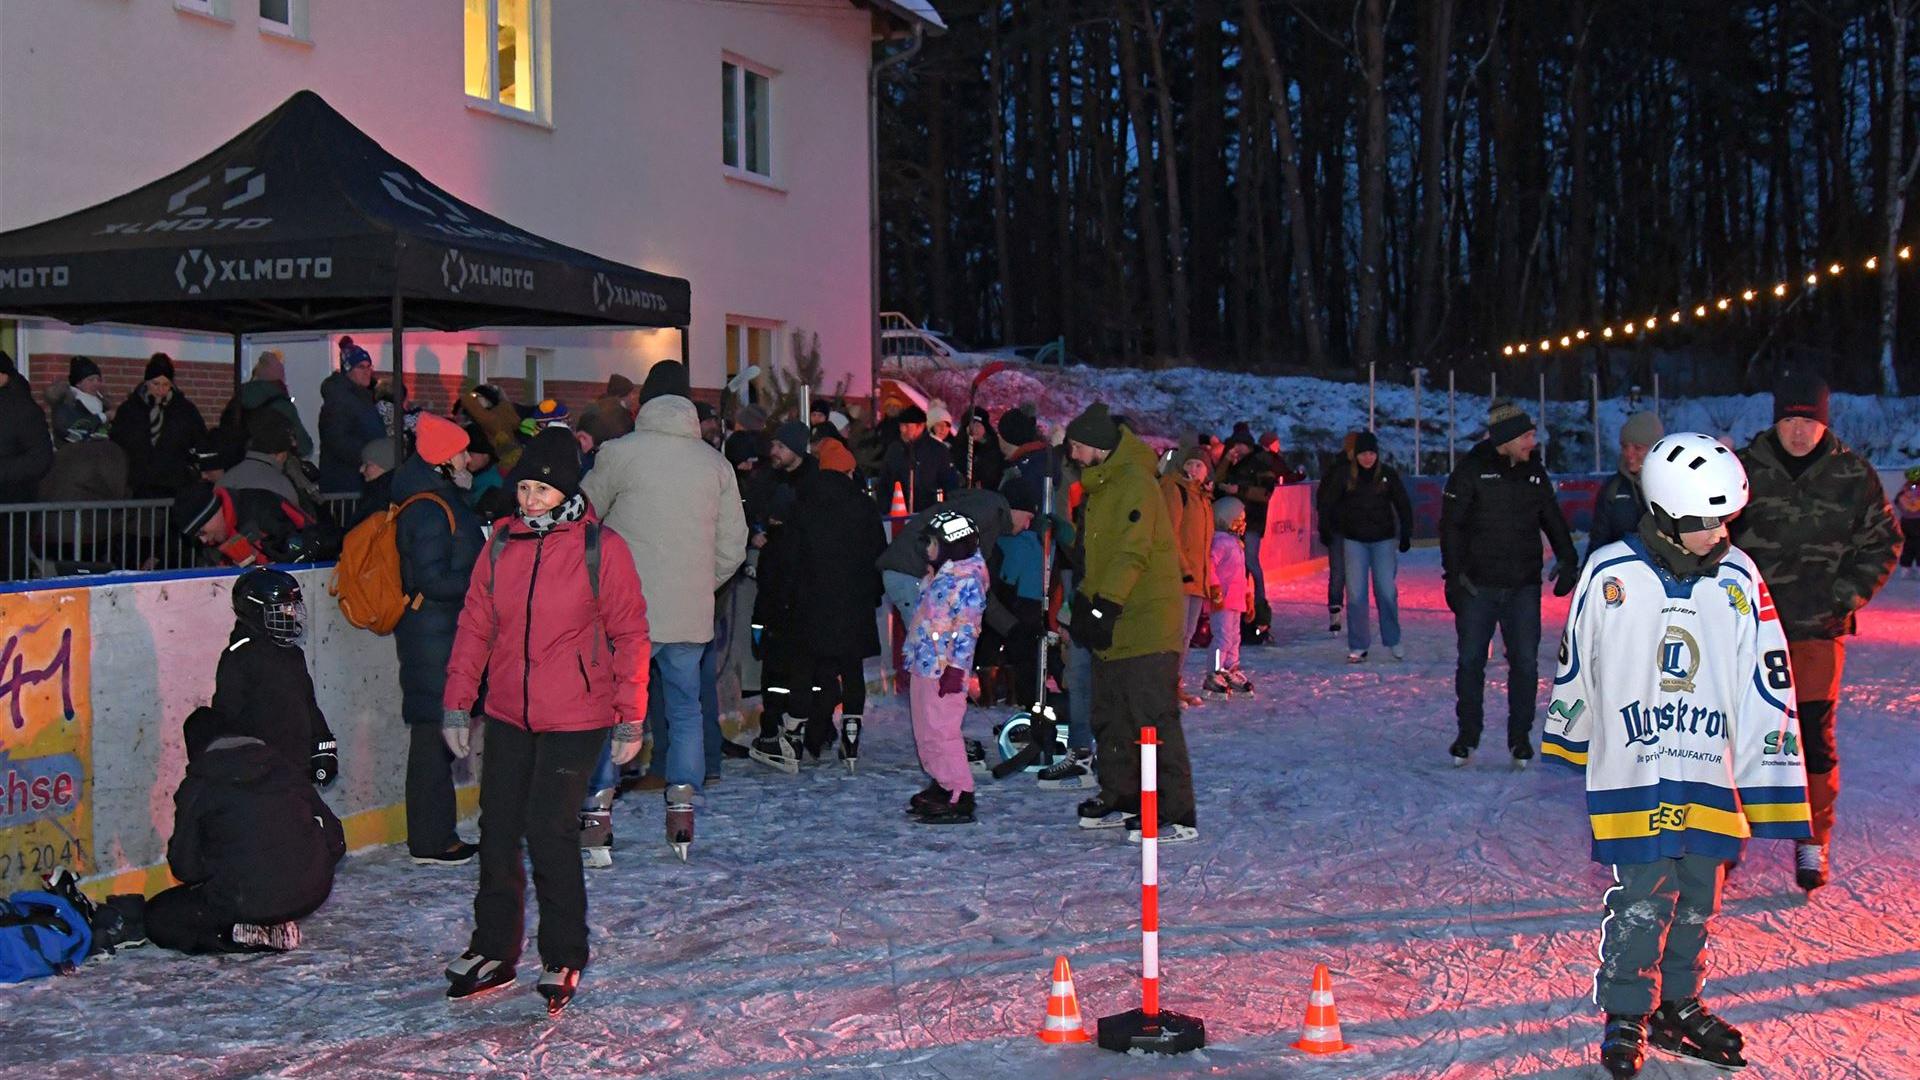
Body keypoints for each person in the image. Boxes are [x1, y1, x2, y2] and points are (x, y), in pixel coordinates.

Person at [1545, 433, 1810, 1078]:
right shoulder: (1610, 574)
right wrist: (1572, 732)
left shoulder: (1739, 577)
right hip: (1636, 765)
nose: (1719, 533)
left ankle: (1677, 1002)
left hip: (1710, 769)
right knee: (1643, 891)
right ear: (1663, 512)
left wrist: (1769, 769)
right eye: (1705, 522)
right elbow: (1577, 663)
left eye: (1726, 520)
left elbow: (1768, 679)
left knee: (1699, 892)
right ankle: (1627, 1008)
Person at [441, 428, 651, 1011]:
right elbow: (475, 626)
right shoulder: (501, 543)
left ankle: (563, 953)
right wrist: (458, 701)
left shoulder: (601, 548)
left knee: (549, 828)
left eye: (542, 490)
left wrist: (630, 716)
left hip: (577, 715)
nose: (530, 500)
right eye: (524, 489)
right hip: (510, 710)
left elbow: (631, 634)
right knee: (497, 828)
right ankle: (493, 948)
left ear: (567, 491)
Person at [1728, 373, 1901, 891]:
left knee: (1813, 742)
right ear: (1775, 420)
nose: (1799, 431)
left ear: (1825, 422)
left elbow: (1885, 541)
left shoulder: (1852, 474)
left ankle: (1813, 840)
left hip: (1816, 632)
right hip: (1749, 632)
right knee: (1737, 738)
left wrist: (1843, 597)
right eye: (1789, 420)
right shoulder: (1742, 470)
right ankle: (1728, 833)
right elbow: (1710, 536)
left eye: (1809, 421)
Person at [578, 360, 747, 857]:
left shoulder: (619, 453)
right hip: (688, 614)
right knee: (686, 708)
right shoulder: (714, 464)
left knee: (614, 708)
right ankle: (681, 808)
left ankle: (598, 809)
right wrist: (700, 585)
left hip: (625, 613)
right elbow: (732, 547)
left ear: (645, 403)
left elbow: (583, 519)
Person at [1064, 403, 1198, 844]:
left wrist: (1104, 605)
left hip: (1146, 621)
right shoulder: (1102, 486)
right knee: (1111, 715)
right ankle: (1121, 796)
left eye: (1077, 447)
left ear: (1097, 445)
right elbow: (1096, 556)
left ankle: (1175, 812)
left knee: (1152, 718)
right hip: (1117, 620)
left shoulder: (1135, 484)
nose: (1073, 455)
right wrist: (1084, 605)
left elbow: (1131, 552)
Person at [1441, 401, 1578, 768]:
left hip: (1522, 586)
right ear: (1507, 439)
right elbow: (1451, 526)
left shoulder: (1534, 472)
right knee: (1471, 661)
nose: (1533, 442)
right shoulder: (1471, 470)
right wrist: (1453, 576)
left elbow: (1552, 518)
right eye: (1527, 436)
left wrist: (1568, 559)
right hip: (1478, 587)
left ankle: (1520, 740)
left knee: (1525, 664)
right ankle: (1467, 736)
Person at [148, 704, 345, 955]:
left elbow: (185, 869)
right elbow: (336, 840)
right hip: (312, 892)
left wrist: (222, 866)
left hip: (246, 900)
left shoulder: (198, 786)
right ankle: (270, 923)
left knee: (158, 917)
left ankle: (235, 935)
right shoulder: (285, 768)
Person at [390, 414, 484, 867]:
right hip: (433, 637)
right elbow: (431, 580)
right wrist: (484, 582)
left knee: (438, 736)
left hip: (441, 633)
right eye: (461, 452)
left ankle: (434, 835)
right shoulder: (428, 508)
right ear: (443, 460)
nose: (468, 459)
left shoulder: (438, 500)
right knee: (433, 736)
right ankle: (431, 839)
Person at [777, 437, 886, 768]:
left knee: (804, 668)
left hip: (811, 603)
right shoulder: (864, 506)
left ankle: (793, 737)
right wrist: (872, 594)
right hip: (854, 603)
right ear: (848, 471)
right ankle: (851, 736)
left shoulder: (803, 504)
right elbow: (878, 555)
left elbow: (790, 559)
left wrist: (787, 598)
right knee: (852, 669)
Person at [209, 568, 339, 787]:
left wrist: (322, 744)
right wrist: (242, 765)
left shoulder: (292, 654)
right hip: (261, 773)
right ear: (256, 611)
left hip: (296, 768)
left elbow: (307, 703)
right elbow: (226, 717)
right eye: (284, 608)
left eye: (293, 607)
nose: (292, 614)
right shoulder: (239, 657)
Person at [903, 509, 990, 825]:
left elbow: (968, 628)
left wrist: (956, 667)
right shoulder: (941, 574)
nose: (927, 549)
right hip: (926, 664)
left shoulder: (966, 580)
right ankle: (941, 781)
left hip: (945, 669)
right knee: (925, 729)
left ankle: (959, 791)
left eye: (932, 543)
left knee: (943, 730)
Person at [1318, 431, 1413, 663]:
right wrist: (1326, 528)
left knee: (1386, 591)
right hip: (1354, 541)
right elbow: (1327, 502)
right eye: (1363, 453)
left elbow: (1402, 503)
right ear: (1356, 455)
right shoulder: (1345, 476)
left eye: (1371, 453)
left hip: (1383, 540)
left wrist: (1406, 533)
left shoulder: (1387, 475)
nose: (1367, 458)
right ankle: (1359, 645)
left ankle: (1393, 639)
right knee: (1356, 594)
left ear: (1377, 454)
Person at [1159, 448, 1215, 704]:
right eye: (1190, 464)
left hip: (1197, 579)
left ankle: (1173, 683)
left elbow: (1204, 544)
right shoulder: (1176, 490)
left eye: (1199, 465)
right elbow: (1170, 533)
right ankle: (1164, 686)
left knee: (1186, 635)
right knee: (1174, 634)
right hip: (1180, 577)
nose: (1193, 469)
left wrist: (1208, 578)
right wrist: (1183, 569)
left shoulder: (1203, 499)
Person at [110, 353, 206, 499]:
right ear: (147, 383)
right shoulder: (129, 410)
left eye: (166, 385)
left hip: (175, 486)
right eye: (156, 384)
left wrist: (192, 468)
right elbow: (118, 443)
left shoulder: (185, 410)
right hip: (138, 486)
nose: (161, 390)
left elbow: (200, 441)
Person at [1215, 431, 1277, 643]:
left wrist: (1239, 490)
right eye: (1234, 445)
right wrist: (1225, 461)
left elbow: (1266, 492)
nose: (1236, 449)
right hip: (1230, 523)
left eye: (1240, 445)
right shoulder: (1231, 462)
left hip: (1252, 521)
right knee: (1236, 568)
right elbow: (1216, 482)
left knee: (1250, 562)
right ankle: (1239, 612)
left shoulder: (1260, 462)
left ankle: (1259, 611)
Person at [1585, 411, 1664, 562]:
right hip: (1622, 572)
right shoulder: (1613, 489)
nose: (1629, 453)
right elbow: (1598, 542)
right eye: (1625, 446)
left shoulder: (1674, 486)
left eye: (1637, 448)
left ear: (1654, 449)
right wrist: (1588, 573)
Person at [219, 350, 314, 461]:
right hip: (269, 465)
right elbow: (304, 447)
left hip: (238, 464)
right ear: (279, 379)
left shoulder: (238, 399)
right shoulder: (282, 405)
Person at [318, 340, 384, 495]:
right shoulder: (340, 399)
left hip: (358, 479)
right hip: (346, 483)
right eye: (361, 367)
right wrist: (371, 456)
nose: (367, 371)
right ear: (348, 370)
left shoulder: (360, 397)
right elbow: (337, 440)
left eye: (369, 366)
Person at [1202, 497, 1254, 696]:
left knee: (1234, 638)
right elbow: (1209, 566)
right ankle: (1214, 673)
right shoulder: (1220, 541)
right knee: (1222, 637)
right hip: (1222, 600)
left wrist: (1248, 596)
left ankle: (1230, 669)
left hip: (1235, 600)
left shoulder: (1236, 543)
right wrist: (1215, 589)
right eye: (1238, 519)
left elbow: (1240, 575)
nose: (1242, 524)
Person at [879, 404, 958, 513]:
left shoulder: (937, 450)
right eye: (901, 425)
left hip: (929, 511)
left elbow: (949, 484)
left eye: (907, 426)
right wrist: (885, 509)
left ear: (920, 426)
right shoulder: (894, 449)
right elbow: (884, 482)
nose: (903, 430)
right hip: (898, 513)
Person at [1321, 432, 1357, 634]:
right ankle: (1335, 611)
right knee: (1338, 572)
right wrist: (1325, 526)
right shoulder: (1337, 470)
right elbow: (1324, 500)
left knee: (1352, 572)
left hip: (1356, 530)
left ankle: (1352, 612)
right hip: (1338, 528)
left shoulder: (1366, 470)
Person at [347, 437, 399, 527]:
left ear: (385, 465)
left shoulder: (379, 498)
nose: (361, 469)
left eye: (368, 464)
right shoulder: (382, 492)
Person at [1897, 467, 1920, 579]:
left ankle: (1905, 568)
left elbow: (1897, 502)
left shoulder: (1905, 489)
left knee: (1907, 544)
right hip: (1917, 521)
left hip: (1906, 521)